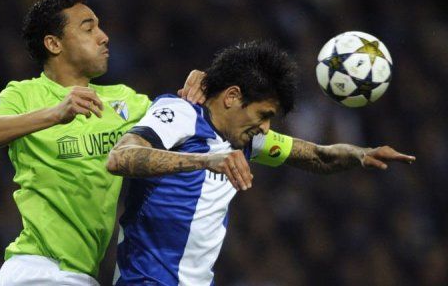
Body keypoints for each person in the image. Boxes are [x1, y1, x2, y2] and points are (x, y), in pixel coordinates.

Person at [107, 41, 416, 286]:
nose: (266, 128)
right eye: (263, 115)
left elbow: (317, 156)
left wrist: (361, 155)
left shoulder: (242, 141)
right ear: (231, 97)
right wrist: (203, 161)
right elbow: (121, 157)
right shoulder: (182, 113)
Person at [0, 0, 204, 286]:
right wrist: (54, 114)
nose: (104, 37)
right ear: (53, 43)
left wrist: (200, 91)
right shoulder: (25, 94)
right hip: (37, 268)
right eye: (88, 28)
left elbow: (178, 121)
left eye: (100, 27)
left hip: (81, 275)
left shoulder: (122, 101)